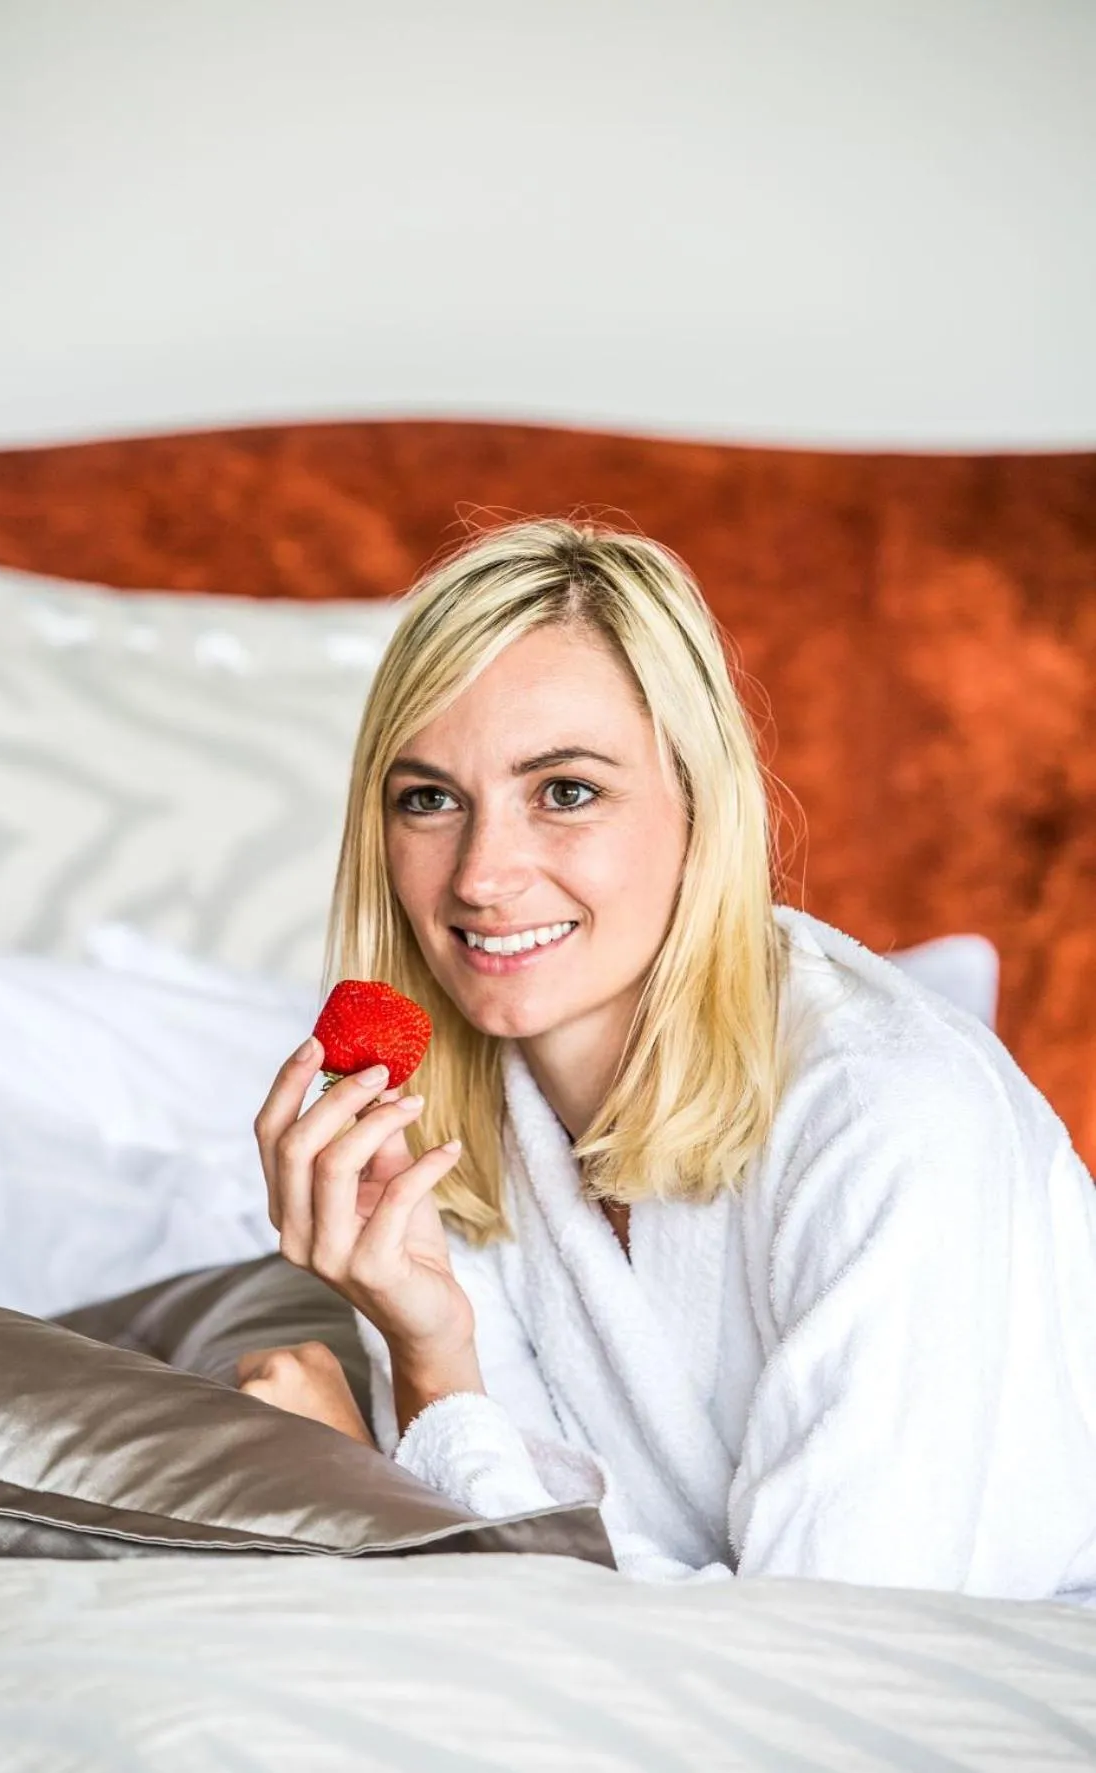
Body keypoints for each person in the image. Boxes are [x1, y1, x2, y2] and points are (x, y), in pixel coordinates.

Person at [240, 517, 1096, 1600]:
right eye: (431, 799)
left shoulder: (891, 1120)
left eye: (565, 791)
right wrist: (429, 1349)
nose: (481, 876)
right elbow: (555, 1592)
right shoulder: (441, 1139)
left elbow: (819, 1648)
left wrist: (361, 1490)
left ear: (700, 799)